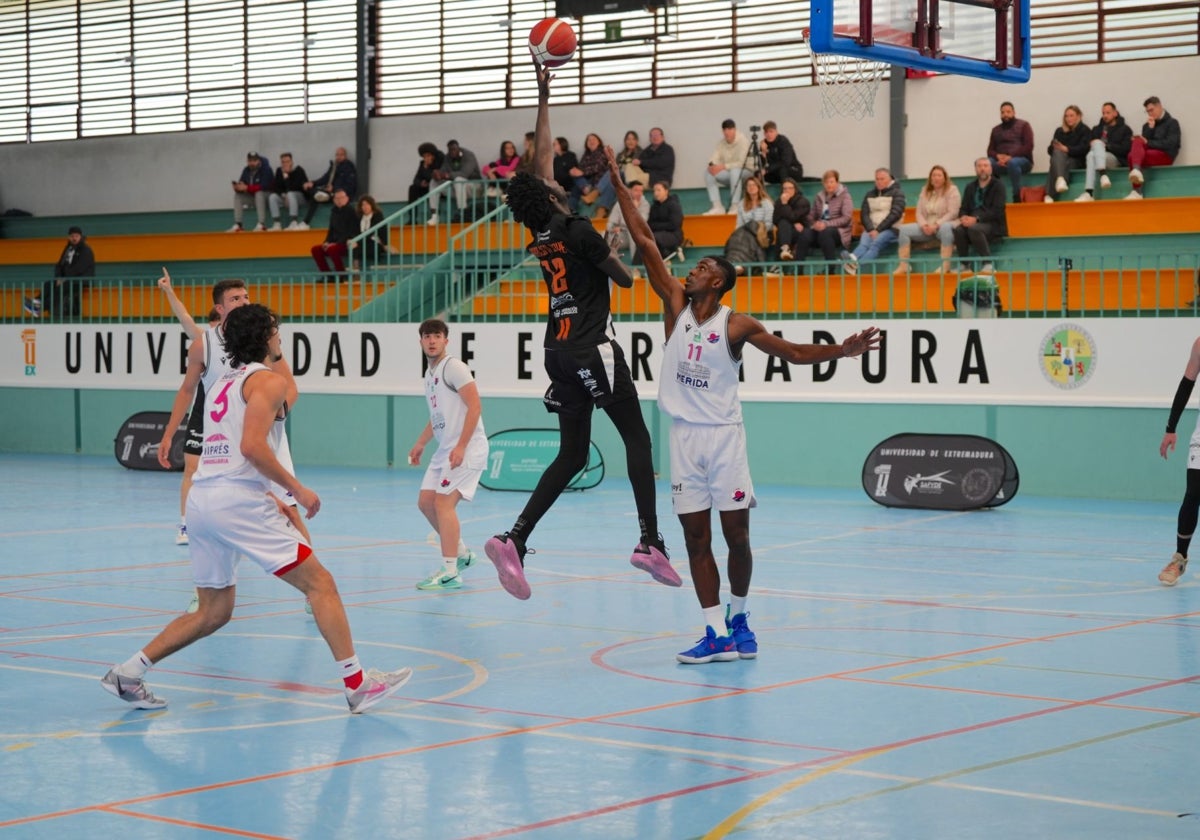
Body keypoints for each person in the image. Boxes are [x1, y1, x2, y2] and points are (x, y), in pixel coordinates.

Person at [608, 146, 880, 663]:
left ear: (718, 281)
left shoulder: (736, 324)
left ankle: (739, 616)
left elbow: (795, 353)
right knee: (694, 538)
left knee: (736, 536)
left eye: (703, 267)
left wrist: (843, 351)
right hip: (684, 439)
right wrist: (621, 186)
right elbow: (644, 240)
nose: (691, 271)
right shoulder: (675, 306)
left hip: (724, 438)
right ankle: (714, 633)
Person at [102, 304, 412, 714]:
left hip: (203, 500)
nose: (280, 335)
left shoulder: (224, 382)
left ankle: (127, 672)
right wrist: (295, 489)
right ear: (266, 335)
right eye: (276, 330)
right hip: (235, 501)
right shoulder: (265, 381)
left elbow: (228, 447)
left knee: (214, 612)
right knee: (321, 585)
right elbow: (251, 447)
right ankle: (357, 685)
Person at [483, 61, 676, 601]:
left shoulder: (539, 228)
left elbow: (541, 159)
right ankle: (649, 541)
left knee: (572, 454)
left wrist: (544, 95)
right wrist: (613, 250)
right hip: (593, 348)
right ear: (549, 196)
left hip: (556, 352)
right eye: (551, 183)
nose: (555, 178)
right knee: (637, 437)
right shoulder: (577, 229)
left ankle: (514, 539)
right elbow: (629, 280)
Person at [408, 318, 489, 591]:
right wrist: (420, 443)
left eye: (437, 335)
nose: (432, 340)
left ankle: (451, 572)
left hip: (467, 447)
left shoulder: (453, 367)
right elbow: (437, 417)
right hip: (445, 450)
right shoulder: (429, 375)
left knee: (443, 504)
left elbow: (475, 406)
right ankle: (463, 554)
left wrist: (462, 446)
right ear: (420, 341)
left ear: (446, 340)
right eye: (427, 336)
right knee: (425, 503)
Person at [156, 268, 220, 546]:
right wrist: (169, 291)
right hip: (201, 417)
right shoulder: (203, 343)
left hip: (229, 419)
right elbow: (185, 318)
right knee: (191, 470)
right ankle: (185, 525)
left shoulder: (243, 347)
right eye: (213, 326)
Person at [894, 164, 961, 275]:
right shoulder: (925, 191)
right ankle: (904, 266)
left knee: (945, 228)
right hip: (927, 226)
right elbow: (919, 212)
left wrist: (936, 224)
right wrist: (923, 225)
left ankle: (945, 266)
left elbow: (953, 213)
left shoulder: (952, 190)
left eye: (939, 175)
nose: (936, 178)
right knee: (903, 230)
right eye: (933, 175)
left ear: (945, 178)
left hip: (945, 224)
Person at [844, 167, 906, 274]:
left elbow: (895, 214)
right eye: (877, 179)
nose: (879, 181)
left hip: (891, 229)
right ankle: (852, 258)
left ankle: (856, 266)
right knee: (863, 244)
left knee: (875, 244)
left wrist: (879, 230)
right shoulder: (869, 194)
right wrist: (871, 229)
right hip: (871, 229)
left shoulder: (898, 193)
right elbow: (864, 214)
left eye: (882, 179)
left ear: (889, 179)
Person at [953, 157, 1008, 274]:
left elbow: (997, 210)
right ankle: (964, 264)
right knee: (958, 230)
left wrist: (976, 219)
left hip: (993, 224)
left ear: (991, 169)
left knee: (974, 229)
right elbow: (963, 208)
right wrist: (963, 217)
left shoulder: (998, 186)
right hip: (972, 222)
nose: (982, 169)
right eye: (979, 166)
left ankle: (988, 263)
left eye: (985, 166)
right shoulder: (970, 187)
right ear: (975, 169)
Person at [795, 170, 853, 273]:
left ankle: (830, 269)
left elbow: (846, 218)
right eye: (826, 182)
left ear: (837, 182)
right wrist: (814, 224)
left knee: (825, 233)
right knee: (805, 234)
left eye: (831, 182)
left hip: (838, 231)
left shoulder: (845, 196)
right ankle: (798, 270)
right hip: (819, 229)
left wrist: (826, 224)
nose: (829, 185)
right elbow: (811, 215)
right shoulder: (819, 196)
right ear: (823, 184)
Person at [1125, 96, 1182, 200]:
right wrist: (1150, 129)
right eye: (1147, 111)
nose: (1150, 113)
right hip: (1150, 154)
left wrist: (1148, 142)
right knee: (1131, 153)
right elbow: (1143, 145)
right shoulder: (1147, 125)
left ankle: (1137, 190)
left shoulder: (1172, 123)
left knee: (1133, 156)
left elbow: (1171, 144)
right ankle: (1137, 182)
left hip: (1166, 155)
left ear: (1159, 106)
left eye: (1151, 110)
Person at [1075, 102, 1133, 202]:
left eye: (1108, 112)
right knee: (1090, 154)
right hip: (1097, 158)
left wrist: (1106, 146)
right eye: (1103, 113)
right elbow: (1089, 146)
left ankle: (1091, 190)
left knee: (1097, 145)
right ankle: (1092, 189)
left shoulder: (1125, 129)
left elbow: (1126, 148)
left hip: (1115, 158)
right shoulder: (1097, 129)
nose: (1105, 115)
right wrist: (1098, 145)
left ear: (1115, 113)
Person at [36, 225, 95, 320]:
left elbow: (79, 268)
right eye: (72, 236)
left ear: (80, 237)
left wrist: (64, 279)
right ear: (69, 237)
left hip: (79, 280)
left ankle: (40, 308)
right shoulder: (68, 249)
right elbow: (59, 265)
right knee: (48, 285)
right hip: (67, 279)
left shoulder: (86, 250)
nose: (74, 238)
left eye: (76, 236)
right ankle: (36, 303)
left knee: (60, 289)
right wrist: (59, 277)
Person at [722, 175, 773, 271]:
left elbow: (769, 224)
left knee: (749, 236)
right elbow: (739, 224)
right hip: (745, 234)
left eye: (754, 185)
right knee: (735, 238)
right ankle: (734, 263)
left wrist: (755, 229)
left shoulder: (766, 203)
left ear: (758, 187)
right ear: (746, 189)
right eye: (749, 185)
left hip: (763, 234)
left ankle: (741, 265)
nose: (751, 187)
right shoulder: (742, 203)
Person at [987, 102, 1034, 203]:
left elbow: (1028, 146)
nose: (1005, 114)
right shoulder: (995, 130)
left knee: (1013, 163)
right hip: (1001, 163)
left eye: (1008, 112)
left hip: (1022, 162)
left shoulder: (1024, 125)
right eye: (1003, 112)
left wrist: (1010, 157)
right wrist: (997, 156)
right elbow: (990, 150)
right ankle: (995, 196)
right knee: (988, 163)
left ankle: (1016, 196)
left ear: (1014, 112)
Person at [704, 119, 753, 215]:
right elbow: (714, 157)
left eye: (730, 129)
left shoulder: (743, 141)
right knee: (708, 172)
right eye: (725, 130)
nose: (727, 132)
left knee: (735, 171)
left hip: (747, 173)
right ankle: (717, 206)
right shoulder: (721, 143)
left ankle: (735, 206)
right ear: (723, 131)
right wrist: (711, 165)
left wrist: (723, 166)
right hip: (731, 174)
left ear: (735, 129)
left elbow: (741, 163)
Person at [1042, 105, 1090, 202]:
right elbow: (1050, 150)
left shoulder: (1085, 130)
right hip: (1060, 159)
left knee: (1056, 165)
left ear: (1078, 116)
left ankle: (1049, 195)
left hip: (1077, 160)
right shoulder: (1059, 131)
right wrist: (1054, 147)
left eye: (1071, 115)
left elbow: (1084, 149)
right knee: (1057, 153)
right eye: (1066, 116)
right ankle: (1060, 180)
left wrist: (1066, 149)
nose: (1068, 118)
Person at [310, 188, 358, 281]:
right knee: (316, 249)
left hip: (347, 242)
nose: (339, 200)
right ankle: (328, 275)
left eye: (342, 198)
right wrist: (327, 241)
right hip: (334, 242)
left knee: (333, 249)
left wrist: (336, 243)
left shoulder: (351, 211)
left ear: (347, 198)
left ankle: (341, 274)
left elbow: (352, 231)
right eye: (337, 198)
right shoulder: (333, 212)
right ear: (334, 200)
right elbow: (331, 230)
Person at [302, 146, 357, 227]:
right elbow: (325, 178)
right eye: (337, 155)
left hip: (341, 196)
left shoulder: (349, 167)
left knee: (317, 197)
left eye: (341, 155)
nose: (338, 157)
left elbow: (350, 186)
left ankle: (306, 223)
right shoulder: (334, 166)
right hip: (330, 193)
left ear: (345, 156)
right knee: (313, 193)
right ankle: (305, 223)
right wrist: (313, 183)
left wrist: (334, 190)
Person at [568, 132, 616, 219]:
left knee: (611, 173)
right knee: (573, 173)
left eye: (593, 139)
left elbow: (598, 166)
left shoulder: (603, 152)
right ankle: (572, 209)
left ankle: (593, 195)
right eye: (589, 140)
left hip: (600, 181)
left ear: (599, 142)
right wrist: (575, 171)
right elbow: (581, 168)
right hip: (587, 182)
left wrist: (582, 172)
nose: (591, 141)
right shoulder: (585, 155)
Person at [432, 139, 483, 221]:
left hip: (474, 188)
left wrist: (446, 175)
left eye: (454, 149)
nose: (452, 152)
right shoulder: (447, 157)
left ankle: (463, 213)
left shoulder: (469, 155)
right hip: (457, 189)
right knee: (434, 182)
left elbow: (465, 173)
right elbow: (443, 171)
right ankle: (434, 215)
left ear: (458, 148)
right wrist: (437, 174)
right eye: (450, 150)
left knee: (459, 179)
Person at [641, 180, 685, 266]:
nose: (656, 193)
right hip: (658, 234)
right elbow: (649, 224)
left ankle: (661, 261)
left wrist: (656, 226)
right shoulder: (654, 207)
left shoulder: (674, 205)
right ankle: (637, 267)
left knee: (654, 237)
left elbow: (674, 224)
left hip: (674, 235)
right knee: (642, 239)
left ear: (666, 191)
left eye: (658, 190)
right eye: (654, 190)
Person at [604, 179, 650, 259]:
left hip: (637, 236)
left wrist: (634, 209)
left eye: (641, 191)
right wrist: (613, 228)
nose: (639, 193)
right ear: (629, 190)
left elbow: (639, 224)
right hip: (621, 235)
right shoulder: (620, 203)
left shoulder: (645, 205)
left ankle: (636, 267)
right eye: (636, 190)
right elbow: (610, 223)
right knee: (600, 236)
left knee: (633, 233)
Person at [228, 151, 271, 232]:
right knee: (238, 196)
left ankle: (261, 224)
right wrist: (238, 187)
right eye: (250, 161)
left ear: (259, 161)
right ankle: (239, 225)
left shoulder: (266, 169)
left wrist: (247, 188)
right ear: (247, 161)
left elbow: (264, 186)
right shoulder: (246, 170)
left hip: (267, 197)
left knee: (259, 193)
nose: (252, 163)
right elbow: (242, 182)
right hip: (254, 198)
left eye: (254, 161)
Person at [770, 178, 810, 263]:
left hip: (802, 232)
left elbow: (793, 217)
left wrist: (784, 204)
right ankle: (785, 249)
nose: (787, 190)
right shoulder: (779, 201)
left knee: (783, 225)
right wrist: (794, 223)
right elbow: (775, 220)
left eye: (790, 188)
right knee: (782, 224)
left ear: (795, 189)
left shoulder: (802, 201)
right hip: (787, 231)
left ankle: (777, 266)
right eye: (785, 188)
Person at [268, 152, 309, 230]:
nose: (285, 164)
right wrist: (283, 195)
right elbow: (276, 187)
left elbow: (296, 187)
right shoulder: (279, 171)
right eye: (283, 162)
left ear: (292, 162)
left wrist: (287, 177)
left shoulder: (299, 170)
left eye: (287, 161)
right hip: (286, 197)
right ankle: (277, 223)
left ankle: (294, 222)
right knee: (272, 197)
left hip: (300, 198)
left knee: (290, 194)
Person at [350, 194, 390, 270]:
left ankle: (357, 271)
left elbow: (372, 233)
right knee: (354, 247)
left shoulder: (377, 215)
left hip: (374, 242)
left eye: (367, 204)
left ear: (372, 205)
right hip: (361, 242)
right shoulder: (358, 217)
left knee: (357, 247)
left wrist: (357, 241)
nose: (365, 207)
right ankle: (356, 271)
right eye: (363, 205)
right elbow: (354, 231)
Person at [411, 141, 445, 225]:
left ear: (433, 155)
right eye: (424, 156)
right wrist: (420, 183)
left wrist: (426, 168)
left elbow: (435, 177)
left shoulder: (440, 160)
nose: (426, 158)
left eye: (428, 155)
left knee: (434, 186)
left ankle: (435, 216)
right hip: (427, 187)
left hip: (439, 187)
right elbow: (416, 179)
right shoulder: (423, 164)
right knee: (412, 188)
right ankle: (412, 218)